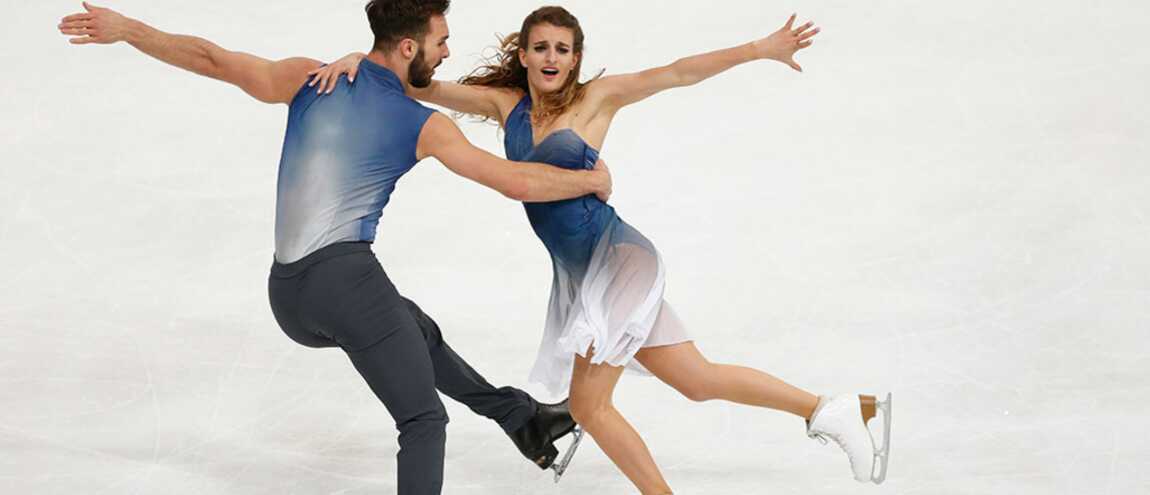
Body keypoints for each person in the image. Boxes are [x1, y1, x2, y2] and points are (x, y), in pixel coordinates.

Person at [311, 6, 892, 493]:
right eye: (540, 47)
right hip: (582, 275)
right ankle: (836, 408)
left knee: (589, 407)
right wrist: (360, 61)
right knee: (695, 379)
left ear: (577, 58)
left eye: (563, 49)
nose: (551, 59)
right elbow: (414, 80)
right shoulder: (504, 104)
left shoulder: (598, 99)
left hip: (619, 263)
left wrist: (759, 47)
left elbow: (679, 72)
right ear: (525, 54)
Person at [57, 1, 609, 493]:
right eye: (441, 41)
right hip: (343, 281)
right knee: (423, 421)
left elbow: (211, 59)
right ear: (410, 46)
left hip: (288, 294)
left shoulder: (310, 78)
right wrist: (589, 181)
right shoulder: (425, 125)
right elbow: (514, 181)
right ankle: (520, 419)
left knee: (413, 327)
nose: (447, 52)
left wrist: (129, 29)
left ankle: (521, 418)